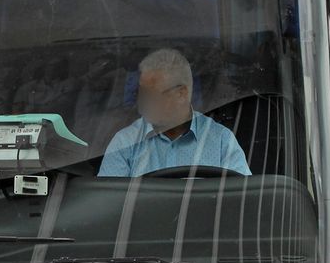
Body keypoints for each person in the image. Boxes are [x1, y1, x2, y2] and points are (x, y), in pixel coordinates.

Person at [98, 48, 250, 177]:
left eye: (151, 95)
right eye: (141, 93)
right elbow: (107, 207)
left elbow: (242, 201)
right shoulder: (125, 144)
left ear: (181, 94)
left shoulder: (221, 142)